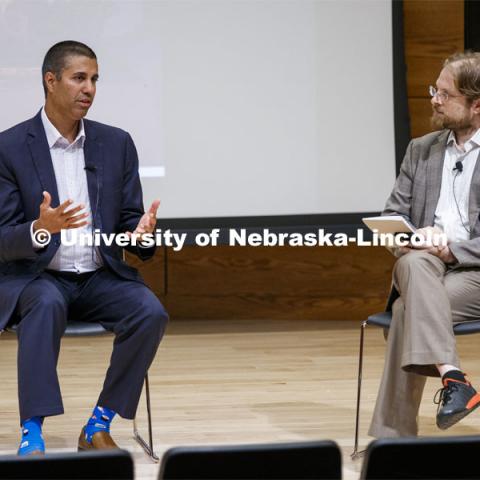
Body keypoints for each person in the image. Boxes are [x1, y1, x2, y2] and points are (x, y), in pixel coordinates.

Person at [0, 41, 168, 455]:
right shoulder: (9, 148)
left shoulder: (116, 143)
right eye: (79, 78)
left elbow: (129, 219)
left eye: (94, 79)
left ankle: (98, 423)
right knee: (45, 304)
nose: (88, 88)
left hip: (99, 277)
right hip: (38, 277)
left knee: (150, 311)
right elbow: (3, 237)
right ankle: (32, 432)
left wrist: (139, 235)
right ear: (50, 81)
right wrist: (41, 227)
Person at [369, 51, 480, 438]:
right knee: (414, 265)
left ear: (476, 104)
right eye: (435, 89)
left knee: (405, 313)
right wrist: (416, 238)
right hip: (425, 266)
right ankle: (454, 379)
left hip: (475, 274)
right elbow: (392, 217)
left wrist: (450, 248)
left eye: (445, 94)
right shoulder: (422, 148)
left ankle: (393, 440)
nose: (434, 99)